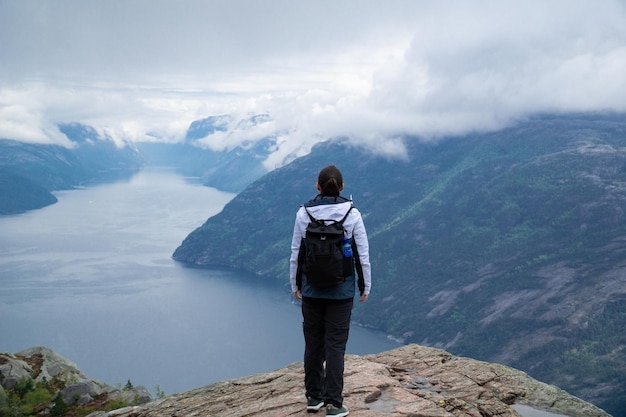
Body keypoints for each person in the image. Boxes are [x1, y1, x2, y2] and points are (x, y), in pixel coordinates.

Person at [290, 165, 371, 417]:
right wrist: (365, 285)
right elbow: (362, 254)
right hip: (342, 290)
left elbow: (296, 253)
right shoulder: (352, 214)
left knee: (313, 343)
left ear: (318, 186)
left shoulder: (304, 213)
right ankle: (334, 404)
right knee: (335, 346)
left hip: (312, 288)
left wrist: (295, 284)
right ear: (342, 187)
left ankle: (313, 397)